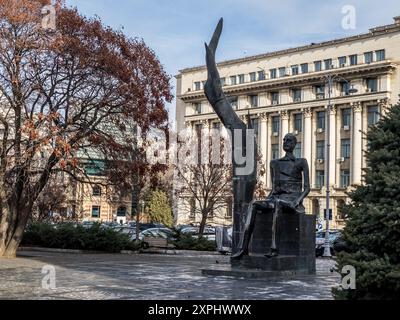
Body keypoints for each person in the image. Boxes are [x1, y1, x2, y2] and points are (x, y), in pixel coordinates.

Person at [232, 133, 310, 259]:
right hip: (276, 198)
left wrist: (297, 201)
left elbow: (307, 188)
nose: (285, 142)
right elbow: (274, 188)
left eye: (289, 140)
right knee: (254, 204)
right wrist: (266, 200)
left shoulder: (301, 162)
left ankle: (274, 249)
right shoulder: (274, 163)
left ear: (295, 144)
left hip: (292, 200)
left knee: (278, 203)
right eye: (284, 140)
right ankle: (243, 248)